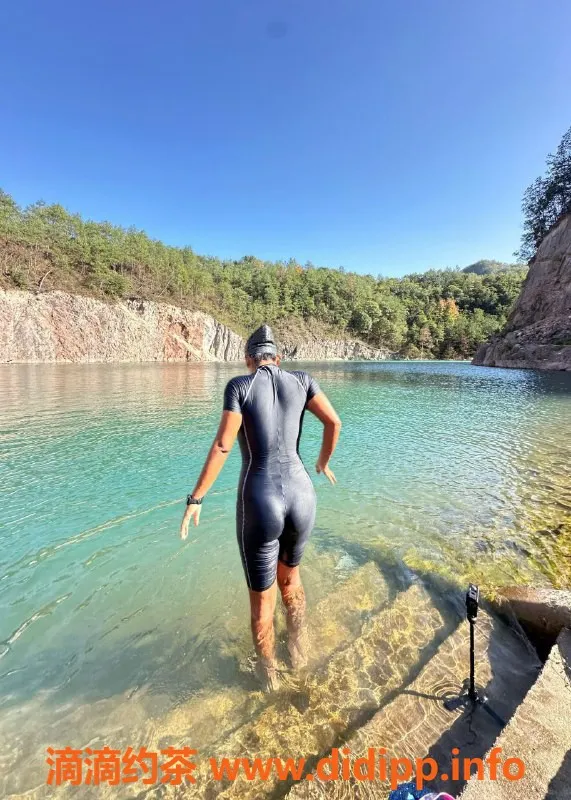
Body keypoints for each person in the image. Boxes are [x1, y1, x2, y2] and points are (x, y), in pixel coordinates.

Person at [179, 324, 341, 691]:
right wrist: (323, 462)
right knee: (291, 580)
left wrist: (196, 498)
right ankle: (298, 650)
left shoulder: (240, 386)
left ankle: (268, 673)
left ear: (248, 359)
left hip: (260, 500)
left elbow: (223, 445)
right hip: (303, 495)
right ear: (277, 358)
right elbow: (334, 422)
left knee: (262, 599)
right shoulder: (303, 381)